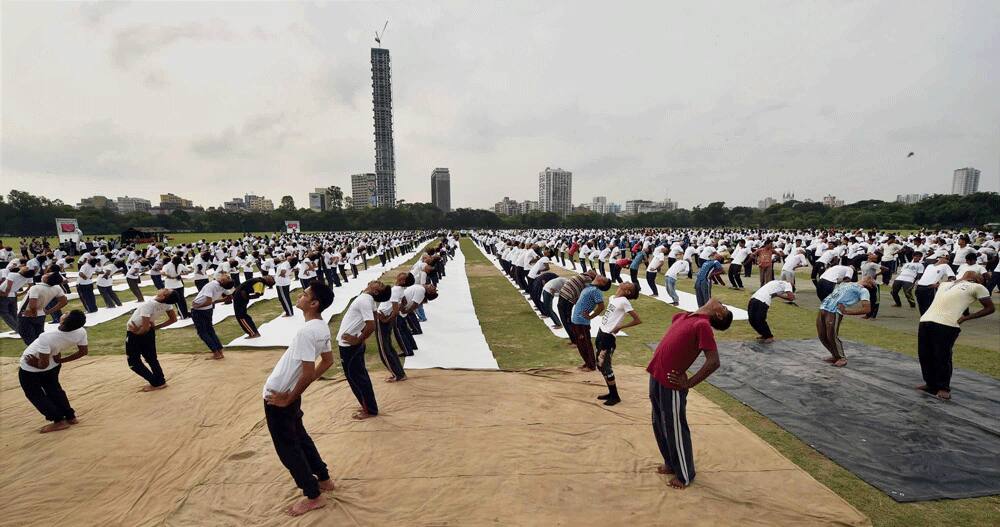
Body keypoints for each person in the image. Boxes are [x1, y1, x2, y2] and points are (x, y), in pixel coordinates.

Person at [262, 283, 337, 517]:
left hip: (280, 397)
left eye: (305, 295)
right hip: (288, 394)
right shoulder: (320, 327)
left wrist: (289, 397)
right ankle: (323, 478)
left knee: (288, 448)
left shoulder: (307, 332)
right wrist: (297, 392)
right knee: (301, 438)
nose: (300, 296)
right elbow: (326, 362)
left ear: (314, 303)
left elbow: (308, 371)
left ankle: (313, 495)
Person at [647, 298, 733, 489]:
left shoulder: (703, 325)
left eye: (724, 307)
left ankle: (685, 474)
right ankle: (671, 462)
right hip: (656, 375)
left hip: (672, 383)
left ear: (718, 314)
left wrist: (688, 383)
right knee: (659, 422)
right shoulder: (684, 316)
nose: (722, 303)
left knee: (675, 426)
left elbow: (713, 362)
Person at [916, 272, 994, 400]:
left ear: (978, 280)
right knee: (925, 354)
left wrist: (966, 317)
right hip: (926, 320)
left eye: (980, 276)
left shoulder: (977, 287)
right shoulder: (946, 284)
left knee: (942, 356)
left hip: (947, 324)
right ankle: (930, 383)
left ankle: (943, 387)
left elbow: (990, 308)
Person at [18, 309, 89, 433]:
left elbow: (43, 365)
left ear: (63, 322)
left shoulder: (47, 337)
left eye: (66, 314)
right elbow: (83, 352)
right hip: (53, 365)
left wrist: (35, 364)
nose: (65, 312)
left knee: (35, 394)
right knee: (55, 390)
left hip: (31, 369)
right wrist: (61, 360)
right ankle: (70, 417)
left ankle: (58, 420)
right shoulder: (81, 332)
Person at [337, 281, 392, 419]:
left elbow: (371, 325)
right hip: (351, 344)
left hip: (350, 345)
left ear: (376, 291)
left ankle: (369, 410)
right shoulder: (368, 299)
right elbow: (374, 316)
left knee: (356, 378)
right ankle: (367, 405)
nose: (379, 282)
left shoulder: (365, 300)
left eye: (380, 285)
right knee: (359, 376)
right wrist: (361, 335)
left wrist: (358, 339)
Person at [594, 282, 641, 406]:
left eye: (629, 285)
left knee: (605, 366)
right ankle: (611, 392)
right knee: (600, 365)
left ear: (628, 291)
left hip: (608, 337)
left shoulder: (624, 301)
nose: (625, 282)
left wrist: (620, 326)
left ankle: (615, 396)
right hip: (601, 332)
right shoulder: (612, 298)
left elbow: (637, 320)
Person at [125, 289, 179, 390]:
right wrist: (154, 327)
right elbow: (173, 319)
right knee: (151, 358)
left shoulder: (149, 305)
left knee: (133, 362)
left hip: (136, 333)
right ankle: (160, 381)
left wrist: (137, 332)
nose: (164, 288)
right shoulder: (167, 303)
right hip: (148, 332)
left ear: (163, 296)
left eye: (166, 290)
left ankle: (155, 383)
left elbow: (144, 328)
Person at [816, 278, 873, 367]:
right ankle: (835, 355)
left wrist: (847, 312)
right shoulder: (848, 283)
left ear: (870, 285)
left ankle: (842, 358)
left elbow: (867, 309)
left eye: (871, 279)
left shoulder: (863, 290)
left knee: (831, 336)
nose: (868, 277)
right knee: (822, 335)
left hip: (834, 311)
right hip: (824, 307)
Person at [570, 276, 610, 371]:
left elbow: (601, 307)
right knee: (580, 344)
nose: (601, 276)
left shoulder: (595, 291)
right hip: (576, 320)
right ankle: (587, 362)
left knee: (585, 344)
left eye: (604, 279)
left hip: (582, 321)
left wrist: (591, 316)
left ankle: (591, 365)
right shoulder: (588, 287)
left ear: (601, 283)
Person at [191, 274, 234, 360]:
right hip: (208, 309)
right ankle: (220, 351)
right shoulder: (222, 286)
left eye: (227, 278)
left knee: (203, 332)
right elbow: (230, 297)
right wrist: (215, 301)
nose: (226, 276)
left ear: (222, 281)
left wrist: (196, 306)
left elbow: (208, 301)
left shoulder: (211, 285)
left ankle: (216, 353)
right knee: (210, 330)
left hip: (200, 310)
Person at [18, 273, 68, 345]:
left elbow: (32, 305)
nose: (45, 273)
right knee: (39, 338)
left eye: (47, 274)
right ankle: (45, 353)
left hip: (26, 315)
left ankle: (39, 354)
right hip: (41, 314)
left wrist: (34, 313)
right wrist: (49, 311)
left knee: (30, 340)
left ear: (46, 279)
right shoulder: (57, 287)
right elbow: (64, 301)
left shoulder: (36, 288)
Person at [375, 273, 407, 382]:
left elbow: (396, 310)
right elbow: (404, 302)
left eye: (402, 276)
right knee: (388, 347)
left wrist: (386, 319)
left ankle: (397, 374)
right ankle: (399, 373)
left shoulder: (396, 290)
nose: (399, 275)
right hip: (386, 317)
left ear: (402, 281)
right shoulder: (400, 290)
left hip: (383, 319)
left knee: (384, 350)